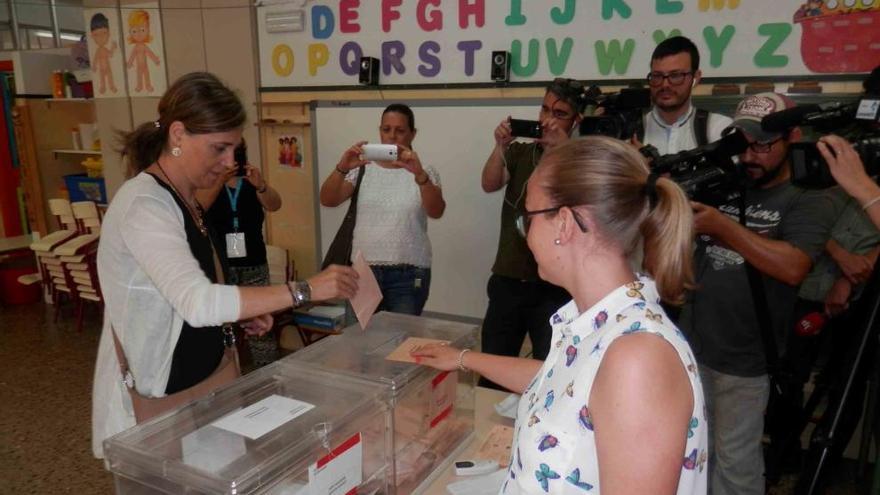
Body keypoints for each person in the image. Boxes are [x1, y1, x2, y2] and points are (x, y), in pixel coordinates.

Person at [413, 136, 707, 494]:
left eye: (530, 219)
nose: (526, 235)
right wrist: (463, 358)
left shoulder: (638, 358)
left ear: (565, 223)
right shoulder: (593, 323)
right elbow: (561, 382)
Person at [92, 72, 358, 458]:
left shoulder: (185, 198)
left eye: (234, 149)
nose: (229, 161)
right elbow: (198, 302)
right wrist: (306, 289)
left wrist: (240, 314)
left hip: (208, 380)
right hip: (164, 396)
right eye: (219, 148)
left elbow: (185, 290)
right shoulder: (144, 205)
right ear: (178, 135)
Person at [677, 92, 835, 495]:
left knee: (734, 466)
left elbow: (794, 265)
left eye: (763, 145)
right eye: (743, 144)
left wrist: (722, 227)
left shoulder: (809, 196)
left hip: (745, 361)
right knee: (693, 457)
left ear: (793, 137)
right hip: (693, 349)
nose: (750, 156)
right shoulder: (730, 185)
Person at [478, 78, 584, 388]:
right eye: (544, 108)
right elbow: (489, 183)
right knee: (493, 369)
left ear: (576, 120)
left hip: (554, 287)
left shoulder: (578, 160)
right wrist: (500, 147)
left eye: (560, 113)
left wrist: (559, 151)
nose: (547, 119)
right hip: (508, 278)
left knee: (550, 374)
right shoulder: (522, 152)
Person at [319, 103, 445, 316]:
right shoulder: (363, 168)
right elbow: (328, 200)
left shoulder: (425, 171)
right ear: (380, 131)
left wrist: (420, 176)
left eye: (400, 130)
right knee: (359, 342)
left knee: (399, 342)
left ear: (413, 134)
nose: (392, 136)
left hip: (409, 274)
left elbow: (436, 211)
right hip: (363, 273)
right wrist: (342, 167)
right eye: (386, 130)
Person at [198, 139, 283, 368]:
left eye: (239, 152)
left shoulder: (251, 181)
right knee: (221, 327)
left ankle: (268, 375)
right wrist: (220, 181)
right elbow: (198, 211)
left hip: (254, 263)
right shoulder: (208, 181)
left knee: (261, 327)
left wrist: (261, 185)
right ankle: (225, 375)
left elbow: (275, 204)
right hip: (222, 267)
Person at [640, 36, 732, 154]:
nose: (665, 84)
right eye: (657, 76)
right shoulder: (632, 132)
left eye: (675, 75)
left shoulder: (718, 127)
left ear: (696, 77)